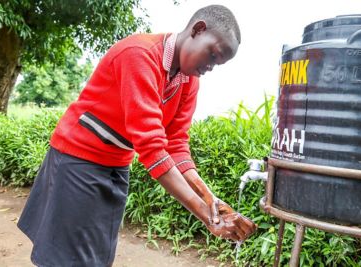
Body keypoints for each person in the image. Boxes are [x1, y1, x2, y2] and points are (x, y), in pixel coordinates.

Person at [18, 4, 257, 267]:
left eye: (218, 64)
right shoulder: (139, 55)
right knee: (70, 258)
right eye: (212, 55)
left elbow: (176, 143)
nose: (210, 67)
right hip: (78, 160)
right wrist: (206, 216)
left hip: (116, 164)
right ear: (197, 30)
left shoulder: (189, 80)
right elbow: (152, 147)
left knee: (97, 257)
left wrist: (210, 199)